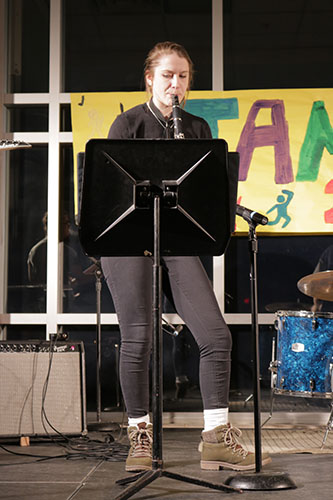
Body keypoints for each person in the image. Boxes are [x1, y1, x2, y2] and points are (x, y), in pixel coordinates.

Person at [101, 41, 271, 472]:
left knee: (216, 337)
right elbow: (110, 192)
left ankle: (215, 436)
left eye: (182, 77)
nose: (174, 84)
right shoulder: (127, 124)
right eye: (166, 76)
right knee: (138, 338)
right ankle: (140, 437)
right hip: (128, 242)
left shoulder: (195, 127)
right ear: (149, 80)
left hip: (174, 239)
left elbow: (208, 194)